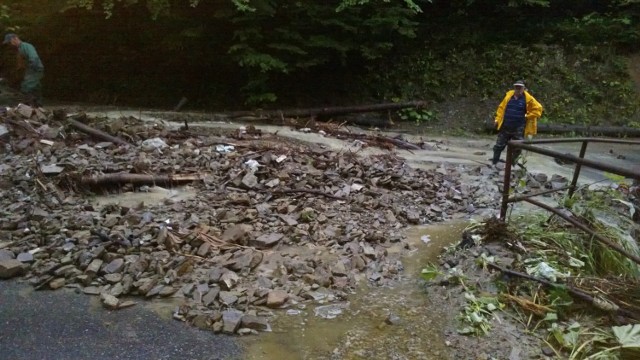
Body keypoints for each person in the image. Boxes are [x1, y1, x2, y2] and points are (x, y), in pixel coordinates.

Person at [492, 80, 543, 166]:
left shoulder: (528, 99)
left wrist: (527, 116)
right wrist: (497, 120)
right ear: (514, 87)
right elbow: (501, 109)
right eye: (516, 87)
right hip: (505, 126)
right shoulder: (509, 96)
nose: (518, 89)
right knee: (498, 146)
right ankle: (494, 162)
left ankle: (512, 165)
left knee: (518, 148)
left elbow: (538, 109)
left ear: (524, 88)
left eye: (520, 87)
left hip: (518, 127)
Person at [3, 33, 44, 107]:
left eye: (10, 42)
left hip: (35, 68)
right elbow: (21, 64)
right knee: (36, 88)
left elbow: (33, 57)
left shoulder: (26, 46)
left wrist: (32, 68)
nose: (10, 44)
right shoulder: (19, 49)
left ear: (15, 39)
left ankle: (27, 105)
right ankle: (38, 105)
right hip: (30, 69)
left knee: (26, 86)